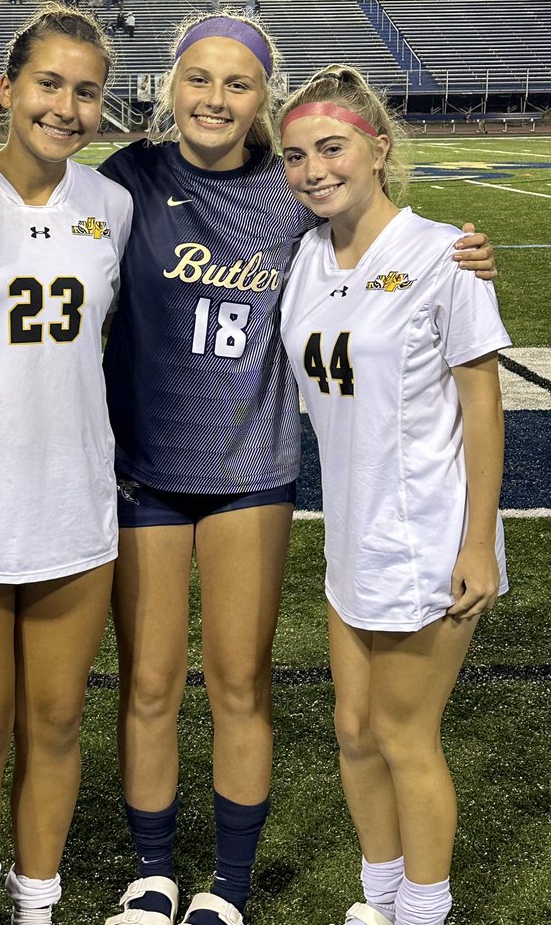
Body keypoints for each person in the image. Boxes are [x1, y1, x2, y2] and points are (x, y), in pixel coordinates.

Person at [0, 13, 495, 925]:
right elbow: (39, 216)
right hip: (143, 468)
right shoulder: (126, 182)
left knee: (240, 683)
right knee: (148, 684)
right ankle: (152, 874)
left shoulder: (293, 192)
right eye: (199, 79)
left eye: (238, 85)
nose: (215, 99)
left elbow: (372, 242)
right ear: (170, 87)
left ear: (263, 99)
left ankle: (226, 885)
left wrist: (456, 252)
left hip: (251, 466)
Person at [277, 66, 509, 925]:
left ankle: (425, 909)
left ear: (377, 149)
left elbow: (483, 406)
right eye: (296, 156)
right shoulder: (304, 256)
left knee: (406, 736)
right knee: (351, 726)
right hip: (353, 533)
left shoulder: (442, 252)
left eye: (331, 148)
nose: (312, 170)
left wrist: (478, 541)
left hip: (427, 536)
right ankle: (379, 897)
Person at [0, 5, 134, 925]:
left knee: (54, 723)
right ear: (8, 90)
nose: (67, 106)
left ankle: (36, 902)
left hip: (74, 502)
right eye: (49, 84)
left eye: (86, 92)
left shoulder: (112, 206)